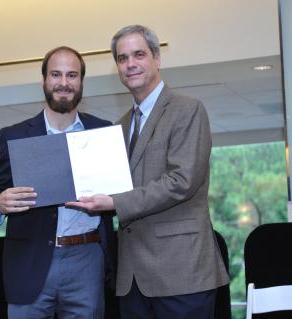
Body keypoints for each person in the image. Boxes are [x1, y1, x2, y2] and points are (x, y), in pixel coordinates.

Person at [66, 25, 229, 319]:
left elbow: (182, 181)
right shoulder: (119, 125)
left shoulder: (187, 109)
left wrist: (115, 202)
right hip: (132, 278)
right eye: (122, 58)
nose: (130, 64)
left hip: (181, 271)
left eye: (138, 54)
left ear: (157, 58)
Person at [0, 46, 116, 319]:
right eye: (56, 74)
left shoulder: (102, 131)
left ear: (81, 82)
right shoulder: (15, 135)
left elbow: (119, 197)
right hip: (29, 263)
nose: (64, 83)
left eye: (72, 75)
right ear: (43, 80)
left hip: (86, 260)